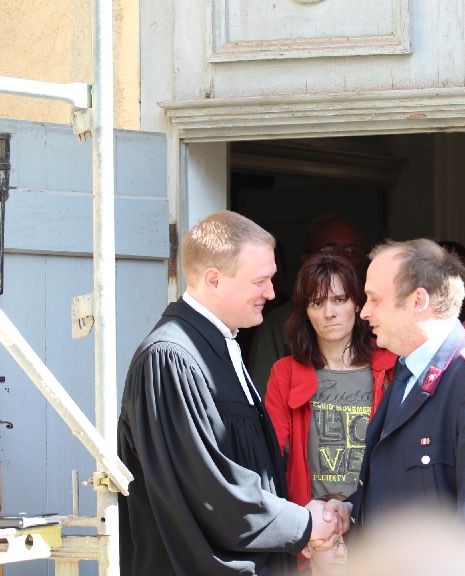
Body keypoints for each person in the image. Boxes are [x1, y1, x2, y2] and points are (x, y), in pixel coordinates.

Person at [118, 211, 347, 576]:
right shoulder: (171, 358)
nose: (272, 293)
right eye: (261, 281)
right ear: (214, 279)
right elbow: (208, 488)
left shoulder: (224, 346)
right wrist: (302, 525)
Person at [348, 238, 465, 539]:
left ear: (418, 301)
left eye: (374, 299)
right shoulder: (409, 368)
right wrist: (347, 514)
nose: (364, 312)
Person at [264, 252, 396, 508]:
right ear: (306, 312)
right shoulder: (285, 373)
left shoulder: (390, 367)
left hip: (375, 524)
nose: (329, 313)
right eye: (316, 303)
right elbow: (268, 455)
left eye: (339, 299)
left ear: (358, 304)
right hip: (314, 525)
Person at [250, 214, 366, 395]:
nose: (342, 258)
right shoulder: (277, 324)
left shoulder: (378, 326)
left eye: (351, 250)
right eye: (331, 250)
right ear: (306, 258)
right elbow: (263, 398)